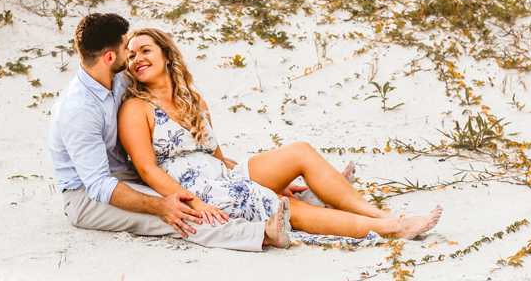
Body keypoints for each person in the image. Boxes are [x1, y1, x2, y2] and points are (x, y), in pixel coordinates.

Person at [118, 27, 442, 241]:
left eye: (145, 50)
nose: (137, 59)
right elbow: (147, 169)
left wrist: (271, 178)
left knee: (299, 151)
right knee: (288, 210)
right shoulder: (137, 108)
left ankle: (374, 213)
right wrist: (192, 202)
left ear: (165, 54)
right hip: (195, 189)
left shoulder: (192, 98)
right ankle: (392, 228)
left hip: (222, 174)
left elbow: (213, 153)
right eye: (130, 56)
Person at [49, 13, 289, 252]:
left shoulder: (117, 76)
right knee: (178, 212)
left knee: (193, 190)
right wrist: (159, 205)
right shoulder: (78, 109)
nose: (132, 54)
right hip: (88, 196)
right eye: (127, 49)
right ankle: (260, 234)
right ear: (110, 57)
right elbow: (99, 185)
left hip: (127, 176)